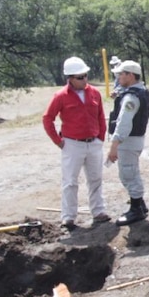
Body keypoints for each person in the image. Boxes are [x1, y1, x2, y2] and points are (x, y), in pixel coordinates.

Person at [43, 56, 111, 230]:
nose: (84, 80)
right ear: (70, 78)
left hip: (93, 142)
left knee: (95, 178)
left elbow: (100, 116)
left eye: (86, 75)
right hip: (72, 144)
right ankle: (68, 217)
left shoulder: (94, 93)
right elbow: (47, 118)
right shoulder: (60, 96)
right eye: (80, 77)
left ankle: (98, 211)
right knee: (70, 181)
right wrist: (58, 141)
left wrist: (100, 137)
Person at [107, 60, 149, 226]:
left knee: (128, 173)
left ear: (130, 75)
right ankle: (139, 204)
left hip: (129, 141)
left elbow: (124, 122)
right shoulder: (139, 92)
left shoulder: (132, 96)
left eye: (121, 74)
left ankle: (136, 209)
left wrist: (114, 145)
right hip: (135, 139)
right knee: (130, 172)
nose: (118, 77)